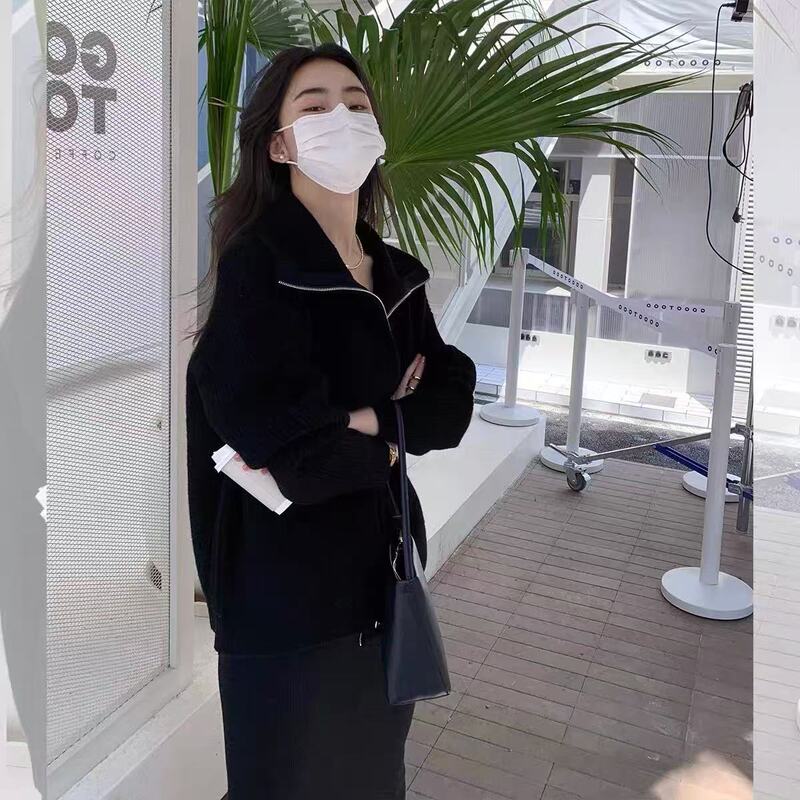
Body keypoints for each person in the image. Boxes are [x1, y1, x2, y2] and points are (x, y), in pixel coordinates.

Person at [185, 42, 477, 799]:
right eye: (314, 106)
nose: (341, 117)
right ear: (279, 145)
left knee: (374, 781)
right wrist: (393, 434)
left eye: (356, 103)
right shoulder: (260, 269)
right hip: (282, 602)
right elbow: (295, 456)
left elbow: (448, 405)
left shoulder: (394, 274)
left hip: (384, 585)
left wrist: (366, 421)